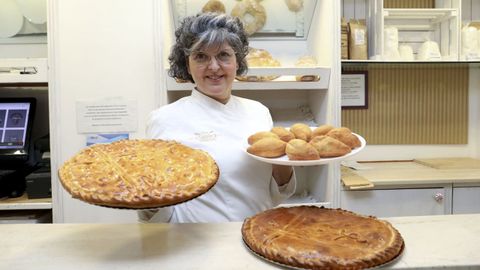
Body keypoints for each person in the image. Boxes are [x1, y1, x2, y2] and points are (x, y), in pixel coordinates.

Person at [138, 13, 296, 223]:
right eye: (201, 56)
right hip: (194, 243)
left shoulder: (258, 112)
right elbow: (152, 212)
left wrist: (285, 159)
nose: (213, 66)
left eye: (223, 55)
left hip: (258, 235)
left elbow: (277, 195)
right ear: (187, 64)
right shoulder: (164, 119)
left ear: (237, 62)